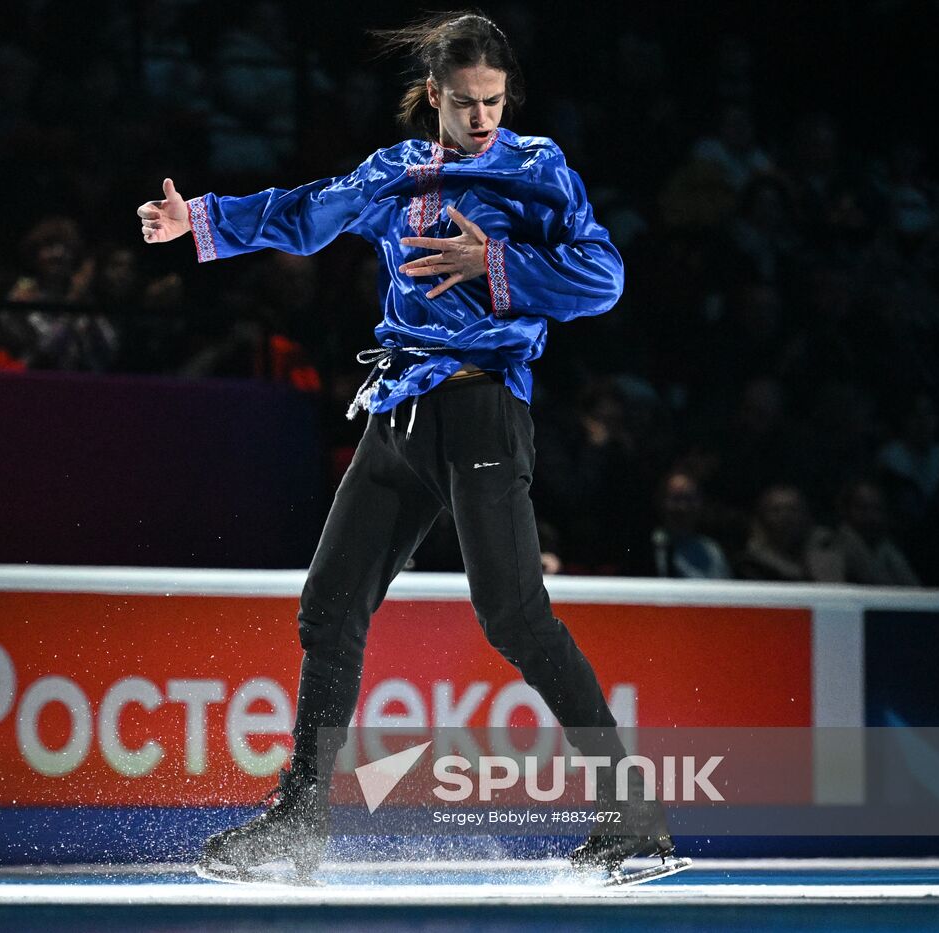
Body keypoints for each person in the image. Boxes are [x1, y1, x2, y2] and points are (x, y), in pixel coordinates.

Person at [137, 13, 671, 879]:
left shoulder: (537, 171)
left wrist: (493, 262)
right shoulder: (396, 171)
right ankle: (300, 821)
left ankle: (631, 819)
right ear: (433, 97)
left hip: (483, 411)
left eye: (494, 102)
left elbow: (603, 276)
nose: (482, 119)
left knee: (515, 616)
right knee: (329, 606)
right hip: (399, 412)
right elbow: (308, 213)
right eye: (465, 104)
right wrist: (198, 219)